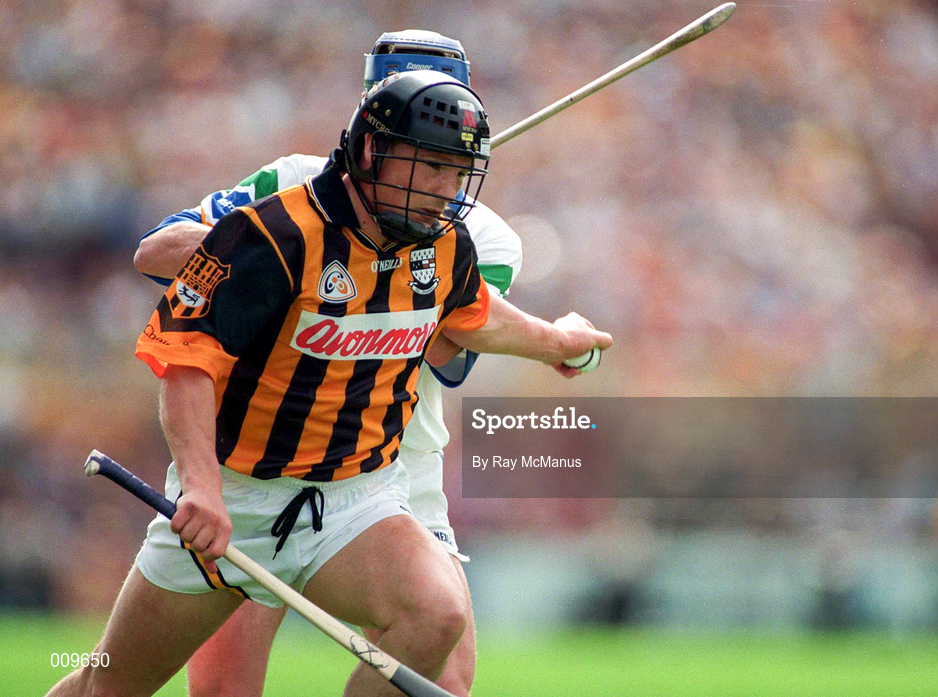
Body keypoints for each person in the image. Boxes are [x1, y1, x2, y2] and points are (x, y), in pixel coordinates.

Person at [49, 71, 611, 697]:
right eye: (431, 168)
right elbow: (184, 359)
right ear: (373, 151)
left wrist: (559, 342)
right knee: (108, 686)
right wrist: (202, 487)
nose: (446, 192)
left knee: (436, 615)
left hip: (355, 501)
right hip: (236, 501)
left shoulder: (442, 244)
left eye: (459, 174)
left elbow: (474, 313)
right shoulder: (271, 235)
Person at [133, 30, 523, 697]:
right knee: (224, 689)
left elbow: (444, 352)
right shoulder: (291, 187)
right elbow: (159, 252)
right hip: (261, 461)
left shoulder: (482, 234)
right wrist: (290, 251)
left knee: (443, 677)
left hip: (394, 470)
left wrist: (389, 242)